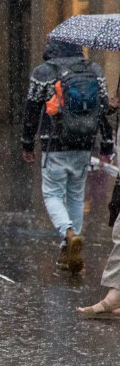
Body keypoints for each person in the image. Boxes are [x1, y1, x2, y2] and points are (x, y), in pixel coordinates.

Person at [22, 38, 113, 274]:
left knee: (52, 193)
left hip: (54, 142)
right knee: (75, 194)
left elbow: (32, 109)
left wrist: (27, 142)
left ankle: (68, 233)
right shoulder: (93, 69)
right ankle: (70, 252)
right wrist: (106, 145)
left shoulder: (43, 71)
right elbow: (102, 108)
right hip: (84, 141)